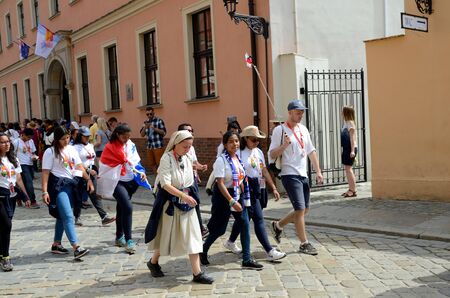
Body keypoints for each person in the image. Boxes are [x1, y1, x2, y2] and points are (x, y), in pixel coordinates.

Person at [145, 130, 214, 284]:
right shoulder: (166, 159)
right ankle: (153, 262)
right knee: (166, 236)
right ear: (175, 144)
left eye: (190, 146)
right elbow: (166, 184)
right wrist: (183, 196)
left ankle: (197, 273)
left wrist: (190, 193)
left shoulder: (187, 157)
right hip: (171, 204)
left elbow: (190, 179)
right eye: (185, 146)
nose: (188, 149)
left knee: (194, 237)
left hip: (187, 204)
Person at [223, 126, 286, 261]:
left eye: (258, 140)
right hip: (244, 190)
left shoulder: (258, 152)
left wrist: (273, 187)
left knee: (244, 219)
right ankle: (269, 250)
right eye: (254, 140)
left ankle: (230, 241)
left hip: (257, 188)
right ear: (245, 139)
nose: (256, 142)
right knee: (258, 219)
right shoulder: (239, 153)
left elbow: (263, 171)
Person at [201, 131, 263, 269]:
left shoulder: (238, 159)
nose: (234, 144)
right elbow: (220, 183)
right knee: (220, 229)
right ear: (225, 144)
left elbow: (240, 178)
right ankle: (203, 250)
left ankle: (246, 259)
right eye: (231, 141)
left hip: (237, 194)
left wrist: (244, 195)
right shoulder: (221, 160)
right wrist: (231, 201)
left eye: (236, 141)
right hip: (223, 197)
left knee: (245, 223)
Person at [269, 99, 323, 255]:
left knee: (305, 209)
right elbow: (272, 154)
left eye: (302, 112)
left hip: (302, 173)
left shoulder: (303, 129)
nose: (300, 115)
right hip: (289, 173)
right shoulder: (280, 130)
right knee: (299, 209)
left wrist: (318, 171)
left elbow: (311, 151)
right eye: (298, 112)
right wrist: (284, 145)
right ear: (290, 112)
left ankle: (278, 226)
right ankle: (304, 243)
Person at [41, 126, 92, 259]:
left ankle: (56, 244)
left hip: (71, 185)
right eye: (63, 139)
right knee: (68, 216)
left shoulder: (72, 149)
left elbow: (79, 166)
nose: (66, 141)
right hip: (58, 187)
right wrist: (44, 191)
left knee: (61, 215)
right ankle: (76, 247)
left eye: (68, 138)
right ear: (56, 139)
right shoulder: (50, 152)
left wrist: (88, 180)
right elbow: (45, 173)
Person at [101, 124, 144, 254]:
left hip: (130, 181)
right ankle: (129, 240)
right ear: (118, 135)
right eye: (124, 137)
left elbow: (135, 161)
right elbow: (104, 163)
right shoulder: (110, 147)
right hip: (116, 181)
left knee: (121, 208)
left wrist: (141, 171)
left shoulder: (131, 145)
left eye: (128, 136)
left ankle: (119, 237)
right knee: (128, 207)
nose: (127, 139)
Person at [72, 127, 116, 226]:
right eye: (85, 136)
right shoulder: (75, 148)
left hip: (91, 174)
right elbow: (77, 163)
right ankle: (76, 217)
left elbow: (92, 160)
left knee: (95, 195)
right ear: (80, 136)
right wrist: (87, 170)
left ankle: (104, 217)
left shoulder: (90, 146)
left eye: (88, 136)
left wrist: (96, 170)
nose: (87, 138)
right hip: (79, 174)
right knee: (78, 197)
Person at [0, 132, 31, 271]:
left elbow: (18, 180)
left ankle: (1, 254)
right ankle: (6, 257)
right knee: (6, 225)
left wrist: (25, 196)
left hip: (11, 197)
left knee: (4, 227)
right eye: (2, 142)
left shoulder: (13, 159)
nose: (6, 144)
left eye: (7, 141)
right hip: (0, 197)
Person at [177, 123, 209, 238]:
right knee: (188, 203)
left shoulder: (192, 147)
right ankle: (199, 229)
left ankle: (198, 229)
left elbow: (194, 163)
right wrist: (197, 167)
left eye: (191, 130)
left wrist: (201, 167)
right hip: (183, 181)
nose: (190, 133)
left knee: (195, 203)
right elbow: (184, 164)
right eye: (187, 131)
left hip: (192, 179)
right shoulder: (177, 147)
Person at [12, 128, 40, 209]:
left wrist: (34, 157)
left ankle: (19, 197)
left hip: (30, 163)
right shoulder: (16, 142)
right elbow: (12, 153)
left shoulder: (30, 141)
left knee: (25, 182)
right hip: (21, 164)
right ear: (23, 134)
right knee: (29, 183)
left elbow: (33, 152)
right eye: (28, 137)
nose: (29, 139)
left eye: (30, 137)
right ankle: (32, 201)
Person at [140, 107, 166, 173]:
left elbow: (164, 132)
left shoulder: (159, 120)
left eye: (150, 114)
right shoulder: (145, 122)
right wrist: (145, 127)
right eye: (147, 114)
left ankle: (161, 179)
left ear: (153, 113)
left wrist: (154, 128)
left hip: (158, 146)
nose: (149, 116)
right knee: (152, 164)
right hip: (149, 146)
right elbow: (142, 135)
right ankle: (156, 179)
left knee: (160, 164)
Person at [341, 106, 358, 198]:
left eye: (342, 112)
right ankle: (350, 188)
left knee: (349, 169)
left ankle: (353, 190)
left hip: (350, 148)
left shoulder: (350, 123)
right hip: (346, 148)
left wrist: (352, 151)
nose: (341, 113)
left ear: (346, 113)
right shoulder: (346, 123)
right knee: (347, 169)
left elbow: (352, 138)